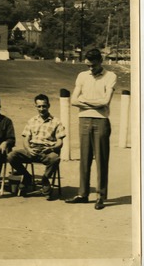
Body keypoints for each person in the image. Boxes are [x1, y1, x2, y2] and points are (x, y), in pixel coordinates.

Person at [65, 48, 117, 210]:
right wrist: (94, 102)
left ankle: (101, 196)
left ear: (100, 62)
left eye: (93, 66)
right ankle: (83, 193)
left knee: (101, 159)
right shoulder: (82, 76)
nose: (90, 69)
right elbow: (73, 100)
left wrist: (85, 100)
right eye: (87, 66)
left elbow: (105, 102)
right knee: (85, 159)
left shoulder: (111, 76)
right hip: (84, 120)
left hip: (101, 121)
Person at [7, 94, 65, 196]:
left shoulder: (56, 122)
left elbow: (60, 142)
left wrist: (51, 148)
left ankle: (45, 179)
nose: (41, 109)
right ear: (36, 106)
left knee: (55, 158)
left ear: (48, 106)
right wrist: (28, 149)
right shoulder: (31, 121)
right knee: (11, 156)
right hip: (32, 150)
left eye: (44, 106)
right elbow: (26, 140)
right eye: (39, 106)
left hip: (47, 151)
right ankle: (27, 176)